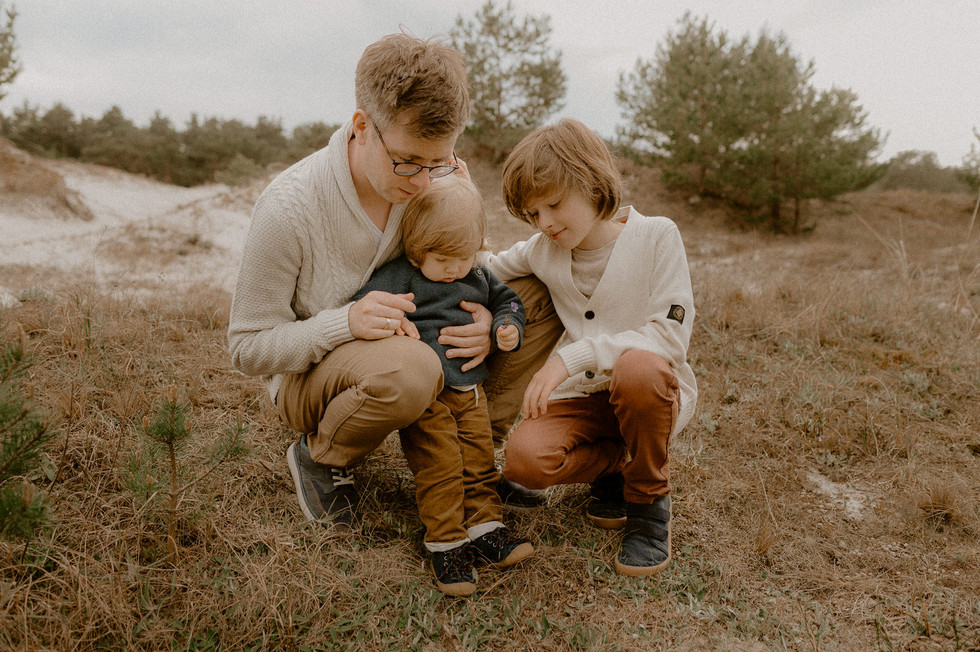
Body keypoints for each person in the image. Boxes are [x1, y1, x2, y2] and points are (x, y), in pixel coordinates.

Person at [227, 33, 560, 535]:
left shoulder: (435, 178)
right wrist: (344, 323)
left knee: (538, 295)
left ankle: (473, 455)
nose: (424, 182)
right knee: (412, 367)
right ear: (362, 126)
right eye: (407, 162)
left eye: (439, 162)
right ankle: (322, 456)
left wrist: (491, 319)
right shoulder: (288, 208)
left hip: (428, 347)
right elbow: (245, 347)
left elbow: (474, 266)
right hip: (316, 378)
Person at [486, 118, 698, 577]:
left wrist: (572, 357)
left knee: (638, 370)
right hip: (584, 399)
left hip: (648, 391)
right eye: (532, 213)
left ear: (590, 180)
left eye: (555, 204)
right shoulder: (544, 247)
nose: (545, 222)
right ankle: (616, 468)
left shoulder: (657, 235)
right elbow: (486, 266)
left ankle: (646, 504)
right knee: (524, 462)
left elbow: (669, 337)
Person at [352, 174, 533, 596]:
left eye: (463, 257)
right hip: (428, 397)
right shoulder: (402, 276)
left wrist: (506, 326)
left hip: (471, 393)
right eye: (442, 258)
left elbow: (508, 300)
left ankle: (486, 525)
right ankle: (447, 540)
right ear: (416, 252)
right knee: (441, 464)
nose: (454, 268)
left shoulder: (477, 275)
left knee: (478, 456)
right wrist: (390, 326)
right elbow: (366, 307)